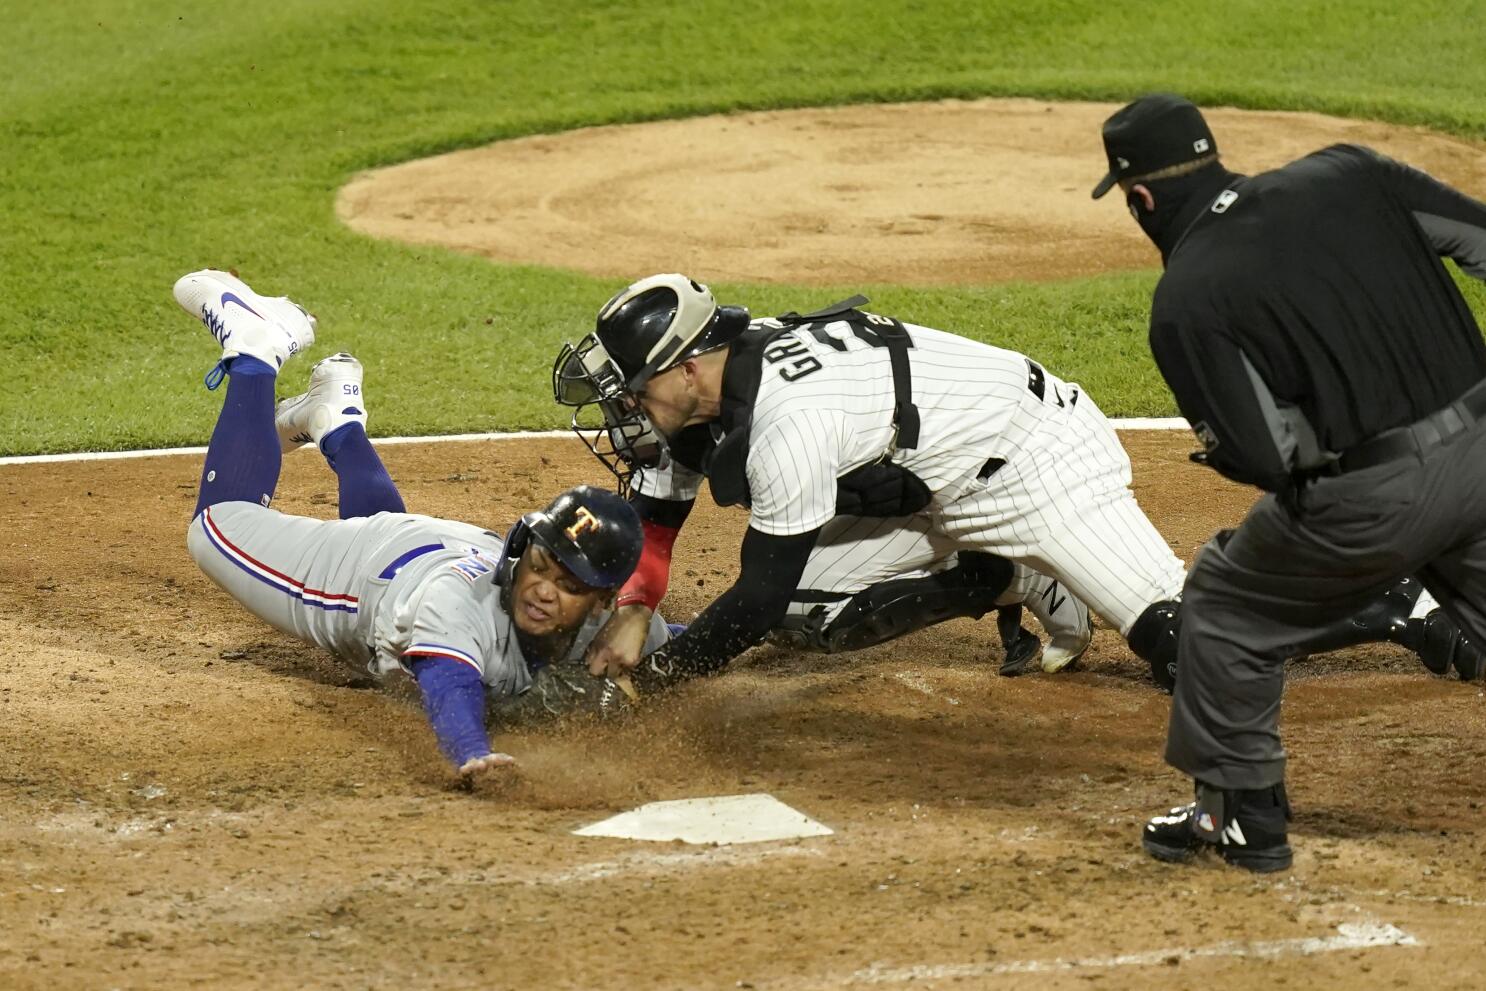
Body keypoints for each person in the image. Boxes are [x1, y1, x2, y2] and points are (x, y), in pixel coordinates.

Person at [549, 275, 1453, 707]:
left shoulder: (792, 419)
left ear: (691, 365)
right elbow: (665, 491)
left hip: (1037, 461)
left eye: (634, 388)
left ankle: (1392, 603)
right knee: (817, 618)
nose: (626, 408)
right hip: (938, 484)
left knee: (1189, 652)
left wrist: (658, 677)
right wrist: (637, 601)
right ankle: (1002, 577)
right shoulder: (713, 389)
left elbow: (753, 592)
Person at [1090, 92, 1486, 872]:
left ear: (1139, 201)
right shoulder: (1351, 171)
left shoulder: (1187, 299)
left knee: (1227, 604)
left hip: (1377, 501)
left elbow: (1269, 459)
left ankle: (1238, 816)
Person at [173, 268, 671, 780]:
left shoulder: (617, 626)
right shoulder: (458, 608)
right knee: (216, 525)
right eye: (541, 568)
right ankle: (257, 348)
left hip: (440, 549)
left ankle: (338, 421)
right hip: (360, 576)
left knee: (386, 527)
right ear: (524, 551)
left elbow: (675, 640)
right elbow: (448, 686)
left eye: (569, 586)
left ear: (603, 601)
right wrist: (471, 753)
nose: (544, 592)